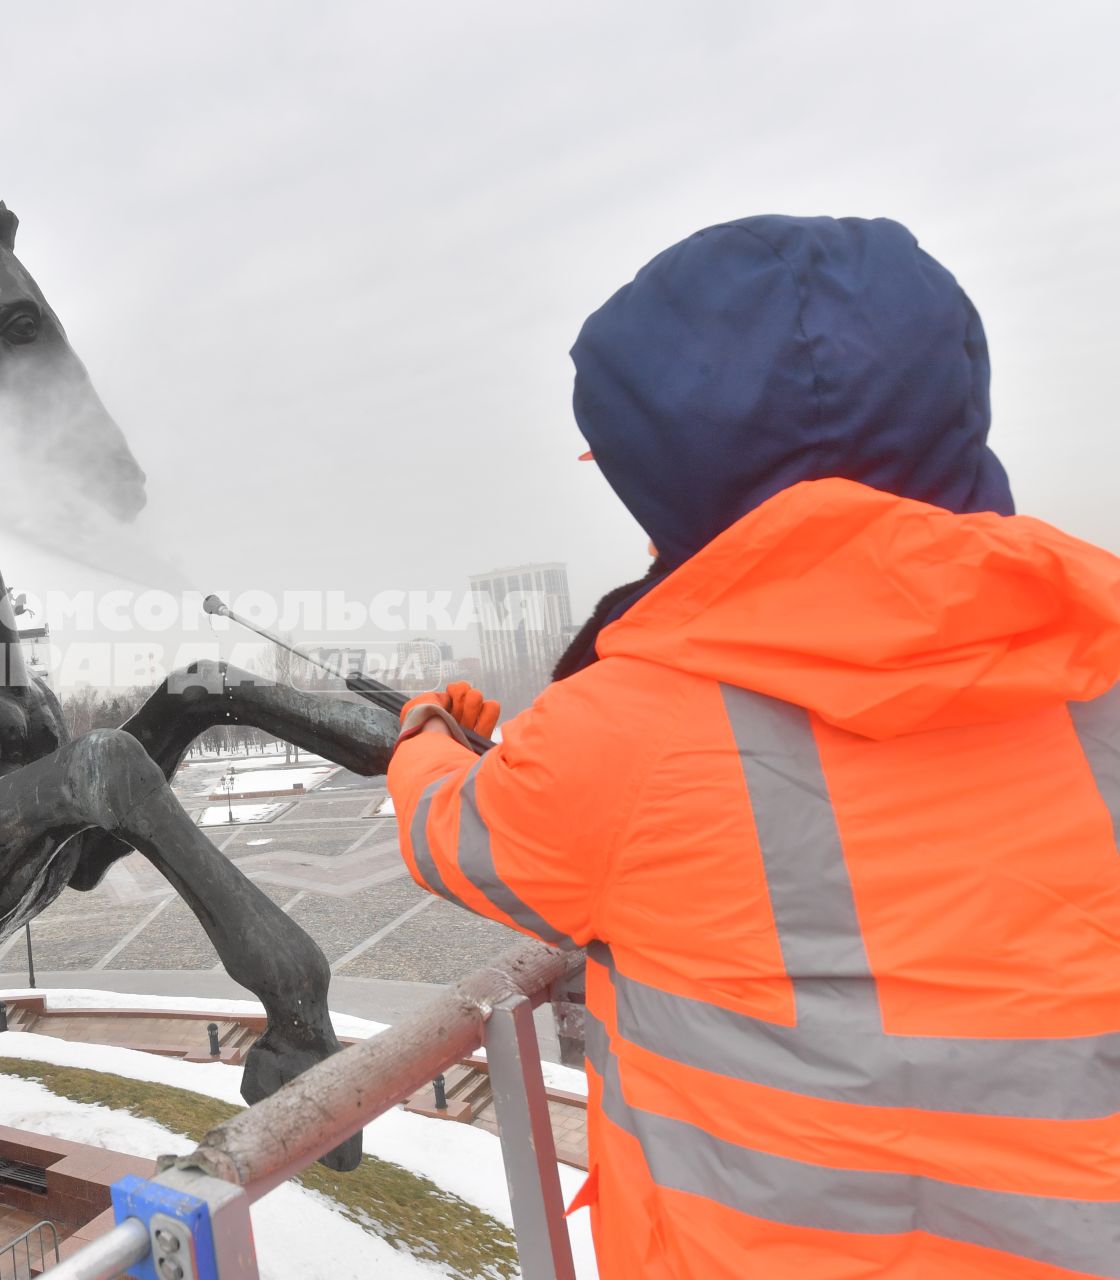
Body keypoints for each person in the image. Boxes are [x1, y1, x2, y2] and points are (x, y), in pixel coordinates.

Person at [389, 215, 1120, 1279]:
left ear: (668, 471)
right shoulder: (1097, 658)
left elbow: (446, 831)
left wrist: (426, 729)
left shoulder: (618, 735)